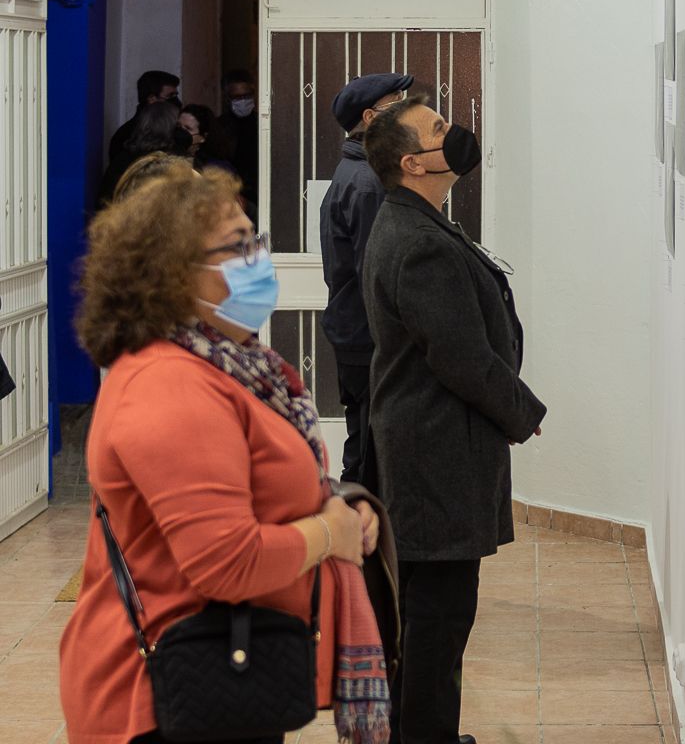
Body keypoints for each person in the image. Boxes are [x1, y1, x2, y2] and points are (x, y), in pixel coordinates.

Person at [61, 168, 394, 744]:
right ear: (169, 272)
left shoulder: (226, 366)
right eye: (237, 249)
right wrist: (325, 534)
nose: (257, 262)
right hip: (162, 695)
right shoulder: (170, 386)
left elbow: (259, 489)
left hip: (224, 671)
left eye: (255, 243)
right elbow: (226, 562)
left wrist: (341, 513)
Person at [361, 95, 547, 744]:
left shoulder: (417, 220)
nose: (456, 133)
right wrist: (523, 412)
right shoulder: (417, 242)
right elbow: (462, 356)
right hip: (435, 455)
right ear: (413, 162)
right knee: (438, 623)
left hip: (426, 451)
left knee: (430, 620)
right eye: (440, 129)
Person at [320, 72, 414, 484]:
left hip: (359, 333)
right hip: (369, 337)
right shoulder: (368, 185)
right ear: (372, 117)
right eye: (399, 104)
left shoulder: (361, 174)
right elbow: (376, 272)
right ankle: (360, 538)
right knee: (371, 454)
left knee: (368, 444)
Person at [95, 103, 191, 212]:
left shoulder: (122, 160)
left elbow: (105, 203)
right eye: (178, 126)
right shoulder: (177, 161)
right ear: (171, 129)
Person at [108, 70, 181, 164]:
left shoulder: (175, 127)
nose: (176, 102)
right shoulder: (128, 134)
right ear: (152, 99)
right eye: (170, 96)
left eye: (175, 95)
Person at [219, 68, 259, 209]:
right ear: (227, 97)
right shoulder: (219, 127)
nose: (243, 101)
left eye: (247, 96)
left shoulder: (262, 125)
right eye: (237, 97)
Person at [181, 103, 237, 173]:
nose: (180, 131)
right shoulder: (170, 159)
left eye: (188, 128)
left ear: (203, 137)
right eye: (178, 126)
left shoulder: (218, 169)